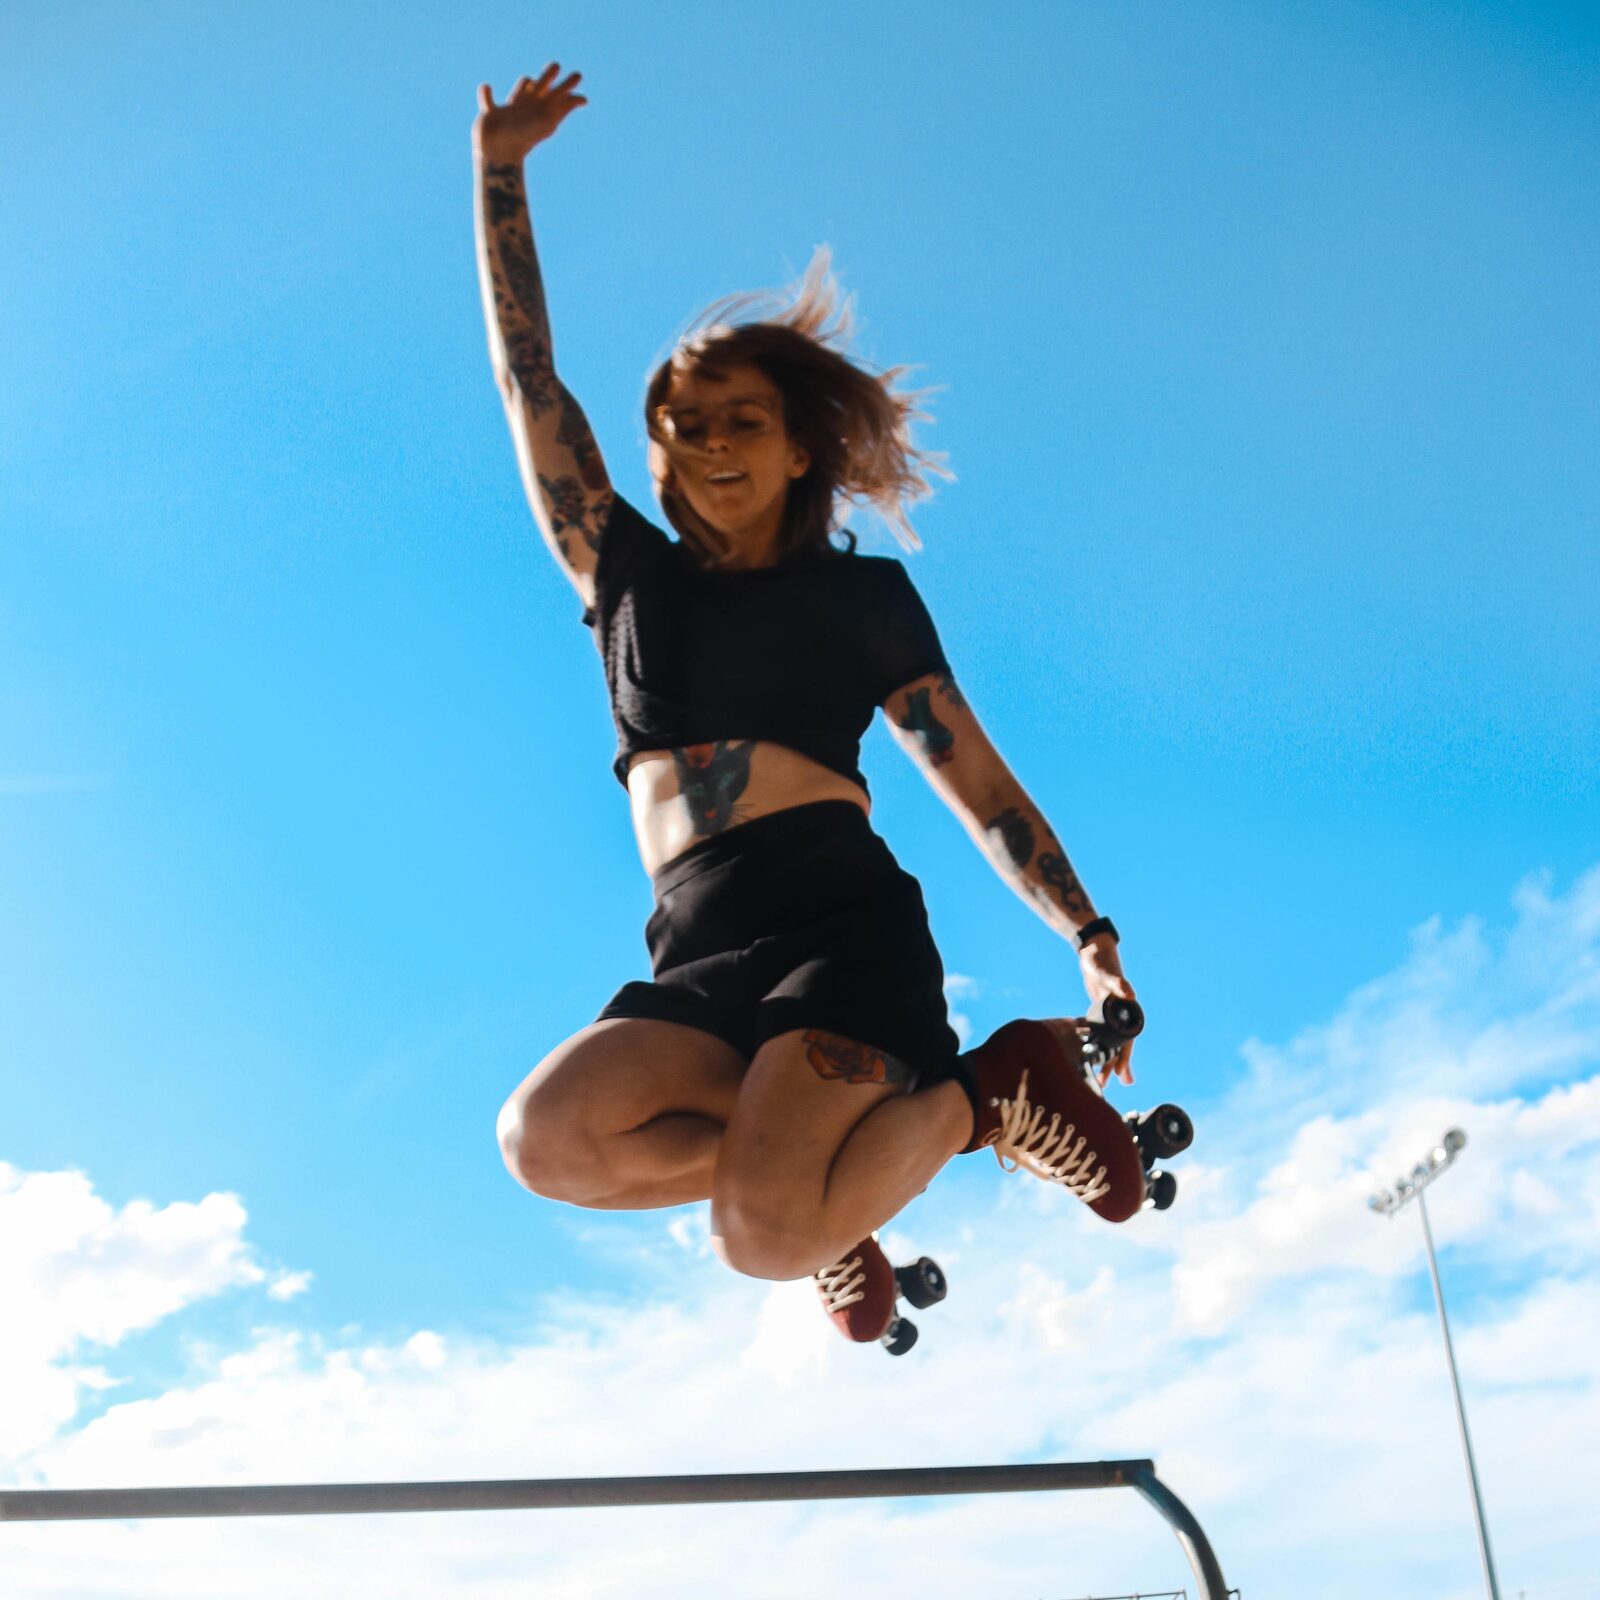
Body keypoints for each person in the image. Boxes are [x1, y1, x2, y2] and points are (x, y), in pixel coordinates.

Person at [475, 65, 1146, 1346]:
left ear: (798, 446)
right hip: (697, 944)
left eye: (739, 419)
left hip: (833, 919)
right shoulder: (618, 566)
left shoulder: (862, 601)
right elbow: (529, 383)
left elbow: (979, 784)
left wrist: (1088, 932)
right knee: (549, 1139)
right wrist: (497, 169)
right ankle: (840, 1182)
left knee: (759, 1239)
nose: (705, 443)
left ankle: (985, 1091)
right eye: (679, 425)